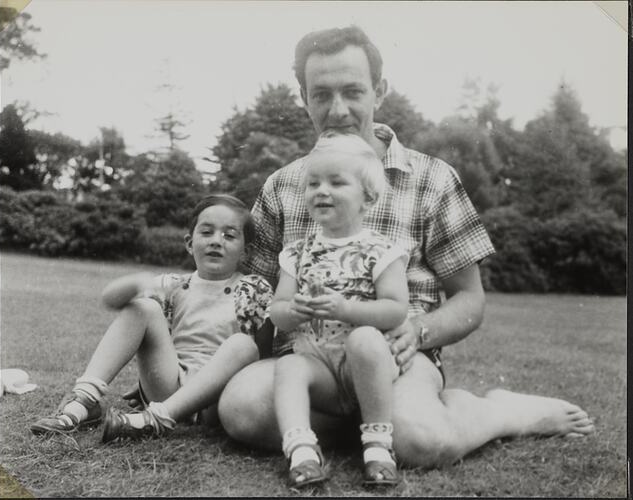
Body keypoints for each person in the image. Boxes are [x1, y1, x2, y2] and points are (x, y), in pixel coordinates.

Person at [217, 25, 594, 468]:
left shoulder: (432, 178)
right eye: (321, 95)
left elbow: (470, 299)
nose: (338, 110)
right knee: (240, 409)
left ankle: (499, 410)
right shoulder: (283, 185)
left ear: (380, 89)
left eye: (353, 91)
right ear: (303, 99)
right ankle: (376, 432)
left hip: (398, 359)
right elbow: (259, 297)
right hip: (309, 364)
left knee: (423, 440)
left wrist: (417, 331)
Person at [31, 194, 273, 442]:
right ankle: (83, 400)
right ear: (190, 243)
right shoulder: (173, 285)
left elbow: (262, 353)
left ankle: (154, 420)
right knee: (143, 307)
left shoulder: (253, 289)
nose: (216, 241)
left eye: (229, 236)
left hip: (218, 397)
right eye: (207, 232)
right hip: (168, 386)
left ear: (246, 252)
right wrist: (139, 282)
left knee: (243, 344)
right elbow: (110, 300)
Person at [271, 132, 408, 487]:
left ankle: (378, 446)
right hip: (319, 368)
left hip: (364, 367)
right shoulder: (296, 253)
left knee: (364, 339)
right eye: (313, 183)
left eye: (336, 182)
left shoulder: (381, 250)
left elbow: (395, 311)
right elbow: (277, 312)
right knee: (288, 365)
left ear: (369, 197)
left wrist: (346, 308)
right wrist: (294, 309)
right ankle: (301, 449)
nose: (321, 190)